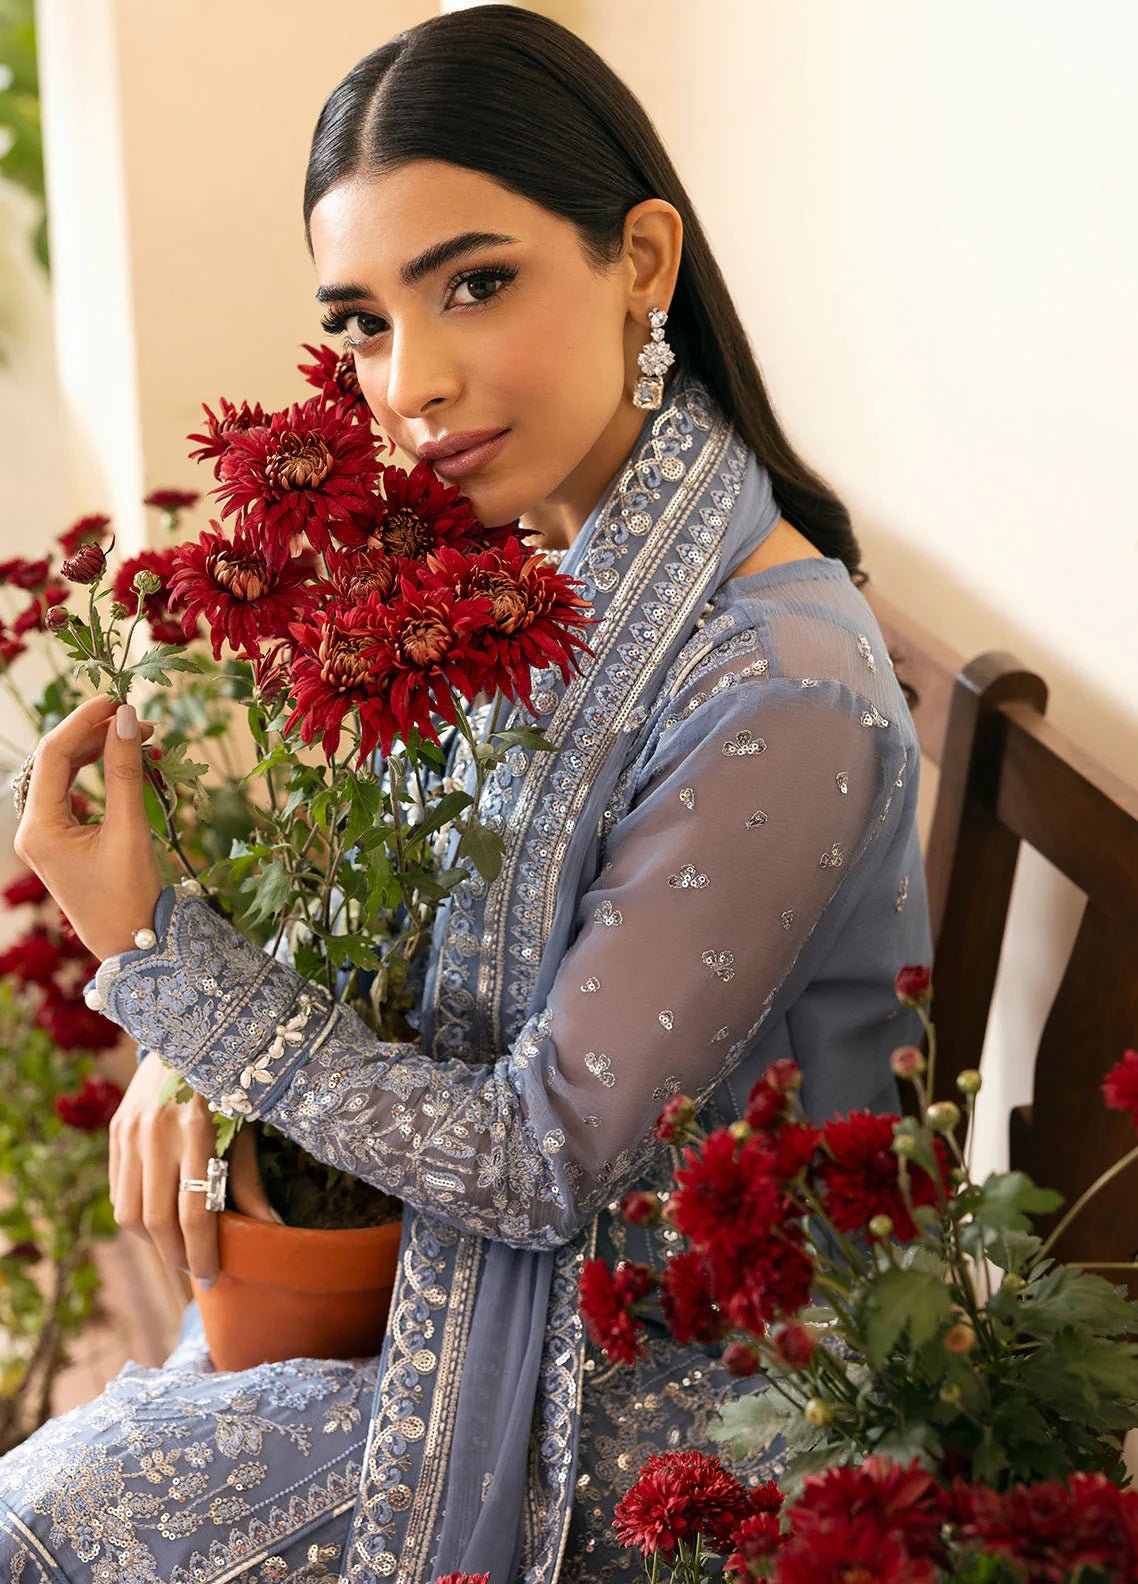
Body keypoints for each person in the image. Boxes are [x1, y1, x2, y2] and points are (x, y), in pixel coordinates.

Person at [0, 6, 933, 1581]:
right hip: (459, 1269)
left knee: (45, 1524)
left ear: (642, 259)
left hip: (689, 1393)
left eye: (475, 285)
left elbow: (533, 1159)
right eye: (361, 320)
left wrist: (160, 960)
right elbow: (429, 932)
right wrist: (193, 1054)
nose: (408, 383)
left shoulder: (776, 684)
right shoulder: (552, 562)